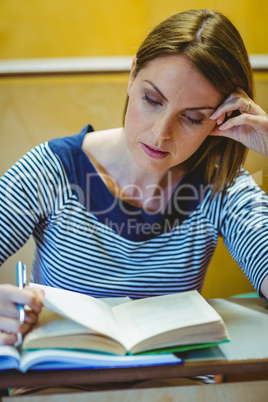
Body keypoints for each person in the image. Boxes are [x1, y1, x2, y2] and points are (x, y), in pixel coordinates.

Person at [0, 9, 268, 347]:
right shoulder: (50, 170)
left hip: (172, 389)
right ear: (132, 76)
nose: (160, 133)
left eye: (192, 118)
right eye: (152, 100)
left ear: (222, 119)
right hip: (59, 384)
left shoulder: (222, 186)